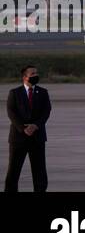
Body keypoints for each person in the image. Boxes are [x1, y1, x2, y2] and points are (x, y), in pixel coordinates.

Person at [5, 65, 51, 193]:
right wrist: (22, 128)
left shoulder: (43, 92)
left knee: (39, 170)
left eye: (36, 73)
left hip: (37, 137)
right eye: (32, 74)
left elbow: (46, 111)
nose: (35, 75)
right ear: (25, 77)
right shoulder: (14, 93)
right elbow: (11, 112)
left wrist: (35, 125)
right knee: (14, 170)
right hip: (18, 138)